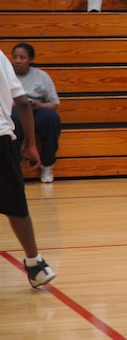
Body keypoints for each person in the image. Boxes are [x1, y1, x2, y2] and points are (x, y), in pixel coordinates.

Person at [0, 49, 56, 289]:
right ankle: (35, 263)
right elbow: (22, 101)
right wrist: (30, 144)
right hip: (1, 138)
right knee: (16, 205)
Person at [10, 43, 61, 184]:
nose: (18, 61)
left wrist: (39, 105)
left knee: (51, 118)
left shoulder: (42, 76)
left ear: (31, 60)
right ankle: (15, 167)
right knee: (13, 121)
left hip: (37, 108)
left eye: (22, 57)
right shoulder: (7, 76)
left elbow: (54, 103)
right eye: (15, 57)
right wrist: (19, 104)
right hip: (15, 109)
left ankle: (47, 164)